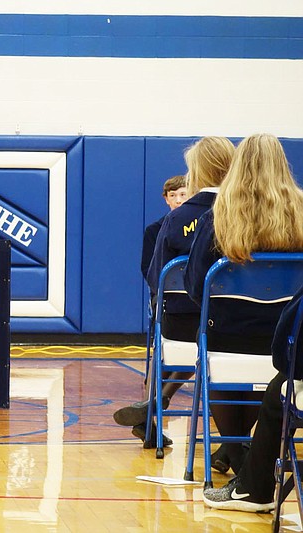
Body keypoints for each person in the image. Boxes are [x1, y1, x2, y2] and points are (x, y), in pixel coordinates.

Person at [185, 133, 303, 491]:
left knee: (215, 348)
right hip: (287, 342)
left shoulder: (218, 215)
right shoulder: (300, 211)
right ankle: (242, 458)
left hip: (228, 338)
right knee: (259, 351)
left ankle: (238, 455)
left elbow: (195, 287)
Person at [114, 137, 234, 450]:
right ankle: (234, 448)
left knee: (187, 343)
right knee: (209, 346)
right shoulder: (251, 215)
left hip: (183, 322)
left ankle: (154, 404)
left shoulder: (175, 221)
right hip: (238, 328)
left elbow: (157, 276)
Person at [201, 285, 303, 513]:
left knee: (281, 388)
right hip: (264, 336)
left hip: (226, 336)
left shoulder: (215, 250)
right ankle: (237, 456)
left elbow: (197, 286)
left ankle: (247, 476)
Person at [140, 175, 188, 281]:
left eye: (183, 194)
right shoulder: (153, 230)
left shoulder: (199, 225)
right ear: (166, 199)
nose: (178, 201)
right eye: (172, 195)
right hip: (164, 289)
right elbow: (147, 268)